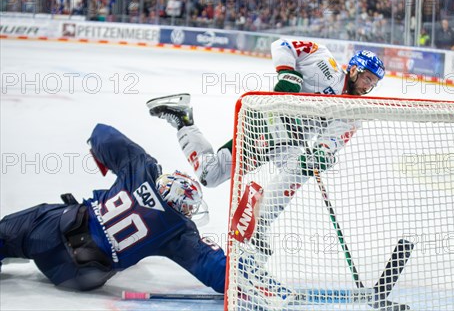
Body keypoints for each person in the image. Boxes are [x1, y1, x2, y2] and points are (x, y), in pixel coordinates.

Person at [148, 40, 385, 256]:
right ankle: (257, 226)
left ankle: (257, 226)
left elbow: (333, 141)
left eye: (373, 84)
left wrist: (323, 153)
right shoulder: (325, 64)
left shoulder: (353, 112)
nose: (368, 87)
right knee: (211, 175)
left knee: (297, 168)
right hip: (268, 121)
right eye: (367, 79)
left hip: (290, 141)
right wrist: (288, 73)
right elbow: (282, 45)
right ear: (354, 69)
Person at [0, 123, 226, 292]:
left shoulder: (141, 170)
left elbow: (102, 135)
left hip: (53, 233)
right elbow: (216, 270)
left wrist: (99, 153)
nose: (187, 213)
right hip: (80, 277)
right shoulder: (180, 232)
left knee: (7, 233)